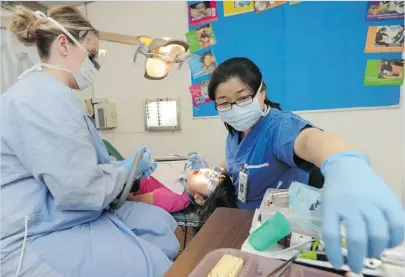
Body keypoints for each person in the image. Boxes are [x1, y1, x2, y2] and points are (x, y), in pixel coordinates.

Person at [1, 6, 179, 277]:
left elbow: (79, 166)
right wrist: (126, 171)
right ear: (63, 44)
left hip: (71, 213)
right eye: (92, 55)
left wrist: (122, 168)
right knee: (153, 265)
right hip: (38, 232)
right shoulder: (39, 99)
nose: (95, 65)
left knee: (160, 225)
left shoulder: (57, 96)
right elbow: (80, 189)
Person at [207, 57, 404, 274]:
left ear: (261, 92)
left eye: (243, 98)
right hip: (244, 224)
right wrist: (213, 174)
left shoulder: (279, 128)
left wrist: (345, 164)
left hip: (279, 234)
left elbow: (309, 140)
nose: (234, 108)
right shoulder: (235, 131)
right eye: (224, 103)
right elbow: (237, 159)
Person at [127, 153, 237, 217]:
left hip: (128, 184)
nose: (205, 172)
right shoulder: (189, 178)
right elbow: (220, 168)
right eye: (211, 172)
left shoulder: (172, 197)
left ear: (199, 199)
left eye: (209, 179)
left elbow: (134, 199)